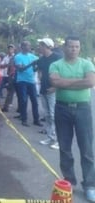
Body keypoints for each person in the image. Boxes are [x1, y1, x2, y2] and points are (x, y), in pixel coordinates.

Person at [49, 36, 95, 202]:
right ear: (64, 47)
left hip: (83, 109)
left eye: (77, 47)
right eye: (71, 47)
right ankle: (69, 181)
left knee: (87, 148)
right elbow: (55, 81)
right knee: (65, 147)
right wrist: (78, 82)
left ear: (79, 48)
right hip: (62, 109)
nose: (74, 49)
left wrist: (65, 82)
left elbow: (90, 82)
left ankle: (90, 185)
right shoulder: (56, 65)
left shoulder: (87, 64)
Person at [36, 38, 61, 149]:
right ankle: (51, 137)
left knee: (53, 114)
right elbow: (40, 72)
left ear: (47, 46)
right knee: (47, 114)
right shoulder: (41, 59)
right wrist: (40, 81)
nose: (39, 47)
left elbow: (62, 73)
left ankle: (59, 140)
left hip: (53, 90)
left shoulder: (57, 58)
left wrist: (55, 87)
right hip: (44, 89)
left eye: (41, 45)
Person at [14, 41, 42, 127]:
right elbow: (20, 69)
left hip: (31, 81)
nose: (28, 47)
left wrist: (36, 67)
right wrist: (31, 64)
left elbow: (35, 67)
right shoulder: (18, 57)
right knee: (24, 100)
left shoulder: (33, 56)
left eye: (29, 45)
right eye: (26, 45)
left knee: (34, 101)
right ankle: (24, 119)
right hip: (22, 81)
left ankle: (36, 120)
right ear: (22, 47)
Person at [1, 44, 16, 112]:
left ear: (14, 49)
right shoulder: (6, 57)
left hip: (13, 76)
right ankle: (6, 105)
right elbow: (2, 65)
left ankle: (9, 104)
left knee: (12, 91)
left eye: (11, 48)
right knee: (5, 89)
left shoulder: (15, 57)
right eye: (9, 48)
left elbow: (12, 67)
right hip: (6, 75)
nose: (10, 50)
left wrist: (6, 66)